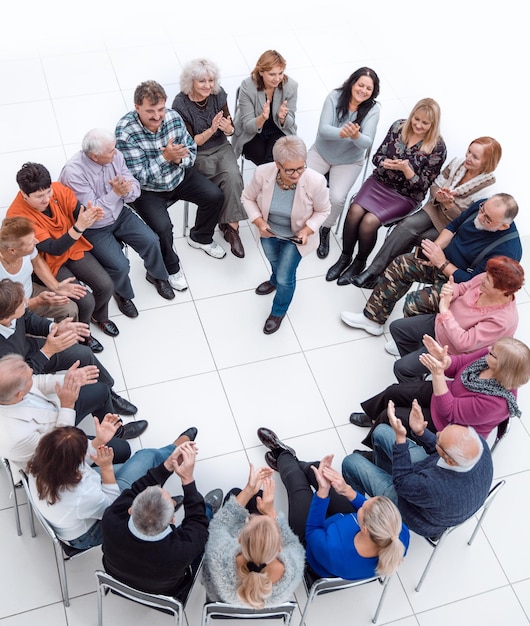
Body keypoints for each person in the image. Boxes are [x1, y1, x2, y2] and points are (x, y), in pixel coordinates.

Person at [340, 194, 522, 336]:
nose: (480, 216)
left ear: (503, 226)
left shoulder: (506, 252)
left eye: (487, 218)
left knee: (415, 302)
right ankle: (373, 319)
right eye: (482, 210)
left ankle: (408, 339)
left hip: (460, 285)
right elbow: (454, 225)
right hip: (442, 259)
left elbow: (473, 284)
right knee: (401, 264)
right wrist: (436, 248)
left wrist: (441, 263)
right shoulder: (483, 205)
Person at [257, 428, 409, 580]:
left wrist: (323, 493)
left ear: (364, 528)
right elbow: (367, 507)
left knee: (296, 482)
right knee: (319, 470)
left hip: (313, 545)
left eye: (363, 507)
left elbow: (312, 530)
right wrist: (347, 490)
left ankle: (283, 454)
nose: (363, 503)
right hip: (337, 528)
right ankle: (295, 463)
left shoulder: (333, 550)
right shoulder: (397, 532)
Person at [353, 137, 502, 289]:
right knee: (405, 226)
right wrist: (440, 195)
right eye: (469, 151)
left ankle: (383, 279)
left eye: (475, 157)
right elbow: (435, 185)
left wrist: (449, 205)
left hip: (452, 226)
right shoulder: (457, 163)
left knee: (415, 238)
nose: (468, 157)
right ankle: (373, 272)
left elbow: (468, 222)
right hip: (434, 209)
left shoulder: (487, 190)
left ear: (487, 162)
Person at [59, 128, 177, 319]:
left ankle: (157, 275)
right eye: (111, 151)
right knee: (120, 265)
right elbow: (93, 213)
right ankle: (122, 294)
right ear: (94, 156)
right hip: (94, 227)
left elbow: (134, 187)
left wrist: (124, 193)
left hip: (120, 213)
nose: (116, 153)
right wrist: (116, 194)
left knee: (151, 240)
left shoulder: (115, 155)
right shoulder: (74, 173)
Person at [326, 98, 446, 285]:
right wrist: (385, 163)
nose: (418, 125)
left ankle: (360, 262)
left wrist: (407, 172)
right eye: (416, 119)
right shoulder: (398, 127)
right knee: (354, 211)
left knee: (369, 221)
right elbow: (377, 156)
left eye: (425, 123)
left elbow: (424, 186)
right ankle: (345, 257)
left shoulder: (437, 148)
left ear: (433, 124)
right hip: (380, 182)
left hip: (405, 196)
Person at [28, 424, 198, 550]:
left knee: (141, 464)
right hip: (88, 533)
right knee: (146, 457)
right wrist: (106, 467)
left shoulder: (40, 461)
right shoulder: (83, 496)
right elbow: (114, 507)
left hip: (74, 506)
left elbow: (81, 461)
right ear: (74, 463)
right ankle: (173, 454)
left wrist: (99, 440)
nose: (88, 446)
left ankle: (167, 465)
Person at [115, 80, 226, 267]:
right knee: (163, 228)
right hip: (148, 190)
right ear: (137, 108)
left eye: (160, 109)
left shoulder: (173, 117)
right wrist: (165, 157)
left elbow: (191, 151)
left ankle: (200, 236)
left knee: (215, 196)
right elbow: (138, 177)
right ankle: (171, 265)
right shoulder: (125, 132)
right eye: (150, 111)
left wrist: (178, 160)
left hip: (178, 175)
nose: (157, 116)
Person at [342, 403, 494, 538]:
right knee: (381, 431)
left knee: (351, 463)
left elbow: (402, 483)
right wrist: (421, 432)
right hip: (445, 493)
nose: (438, 434)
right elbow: (442, 449)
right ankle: (381, 467)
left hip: (417, 511)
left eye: (439, 440)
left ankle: (356, 514)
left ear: (450, 460)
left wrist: (401, 439)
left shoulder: (434, 486)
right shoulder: (477, 445)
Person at [7, 162, 120, 340]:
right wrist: (78, 227)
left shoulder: (57, 189)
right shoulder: (18, 217)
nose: (46, 199)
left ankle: (99, 316)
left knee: (106, 285)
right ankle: (84, 333)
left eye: (48, 192)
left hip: (73, 246)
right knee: (85, 300)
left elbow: (76, 210)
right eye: (39, 196)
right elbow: (53, 248)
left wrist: (87, 215)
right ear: (24, 195)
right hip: (50, 260)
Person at [0, 278, 138, 418]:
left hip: (29, 348)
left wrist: (54, 327)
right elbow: (20, 380)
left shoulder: (10, 312)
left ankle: (109, 392)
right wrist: (47, 351)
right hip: (23, 373)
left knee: (83, 353)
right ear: (5, 318)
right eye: (21, 303)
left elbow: (26, 318)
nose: (26, 302)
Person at [102, 438, 224, 596]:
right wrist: (188, 480)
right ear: (173, 521)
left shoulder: (111, 519)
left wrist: (167, 465)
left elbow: (134, 490)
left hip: (117, 575)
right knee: (203, 516)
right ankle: (207, 507)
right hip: (164, 591)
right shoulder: (180, 551)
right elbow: (197, 523)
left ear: (131, 509)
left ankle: (172, 505)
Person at [349, 335, 530, 440]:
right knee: (393, 391)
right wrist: (443, 359)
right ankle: (372, 417)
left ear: (502, 368)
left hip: (448, 426)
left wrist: (437, 374)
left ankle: (375, 445)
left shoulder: (497, 403)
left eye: (493, 353)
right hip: (445, 392)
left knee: (392, 417)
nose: (488, 349)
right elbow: (458, 365)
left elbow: (449, 411)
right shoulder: (488, 357)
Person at [242, 136, 330, 334]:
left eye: (301, 167)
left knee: (285, 276)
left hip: (296, 237)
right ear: (277, 164)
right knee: (274, 261)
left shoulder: (316, 181)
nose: (297, 174)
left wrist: (308, 230)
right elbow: (247, 197)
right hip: (269, 231)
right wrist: (258, 221)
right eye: (290, 169)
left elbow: (324, 210)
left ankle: (278, 311)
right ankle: (273, 280)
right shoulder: (262, 173)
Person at [389, 256, 524, 382]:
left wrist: (445, 311)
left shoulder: (502, 320)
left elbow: (463, 343)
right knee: (397, 328)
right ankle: (423, 369)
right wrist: (450, 291)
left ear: (502, 291)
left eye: (488, 280)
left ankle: (416, 391)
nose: (483, 279)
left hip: (451, 350)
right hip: (441, 324)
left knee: (401, 368)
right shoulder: (485, 278)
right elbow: (462, 287)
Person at [0, 354, 136, 470]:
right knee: (123, 449)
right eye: (30, 376)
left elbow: (39, 382)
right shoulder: (15, 436)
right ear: (19, 394)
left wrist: (69, 380)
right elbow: (60, 445)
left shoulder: (10, 389)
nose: (32, 372)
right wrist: (68, 405)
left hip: (57, 412)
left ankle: (115, 432)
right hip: (57, 453)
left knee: (101, 390)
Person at [172, 58, 248, 258]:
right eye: (202, 81)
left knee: (233, 176)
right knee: (218, 187)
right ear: (191, 83)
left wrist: (228, 128)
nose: (208, 86)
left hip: (221, 146)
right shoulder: (180, 103)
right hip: (197, 153)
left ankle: (232, 230)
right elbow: (190, 143)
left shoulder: (218, 94)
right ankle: (226, 225)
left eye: (211, 80)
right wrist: (212, 129)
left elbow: (230, 128)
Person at [202, 464, 304, 608]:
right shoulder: (293, 568)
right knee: (257, 500)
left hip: (221, 599)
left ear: (239, 539)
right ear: (280, 548)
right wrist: (271, 512)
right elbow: (294, 544)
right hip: (257, 607)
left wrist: (249, 489)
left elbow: (219, 525)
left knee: (235, 493)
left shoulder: (220, 554)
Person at [306, 67, 381, 258]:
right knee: (302, 183)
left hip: (348, 161)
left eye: (368, 89)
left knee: (337, 197)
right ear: (352, 83)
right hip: (322, 152)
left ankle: (325, 229)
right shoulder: (334, 97)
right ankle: (300, 218)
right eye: (360, 85)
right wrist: (343, 133)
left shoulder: (373, 109)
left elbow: (367, 142)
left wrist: (355, 136)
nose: (363, 90)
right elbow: (323, 130)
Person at [0, 216, 87, 326]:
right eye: (31, 242)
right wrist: (34, 302)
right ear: (12, 250)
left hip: (30, 292)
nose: (36, 242)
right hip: (10, 311)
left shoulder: (24, 249)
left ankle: (68, 338)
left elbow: (36, 260)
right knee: (30, 337)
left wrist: (55, 286)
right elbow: (3, 312)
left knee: (70, 308)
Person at [232, 50, 298, 166]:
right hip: (251, 132)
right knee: (265, 158)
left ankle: (265, 179)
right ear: (261, 72)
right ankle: (269, 179)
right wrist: (262, 118)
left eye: (280, 73)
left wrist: (283, 118)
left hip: (278, 129)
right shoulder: (247, 86)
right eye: (272, 74)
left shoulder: (291, 86)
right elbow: (248, 126)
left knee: (273, 157)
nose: (277, 79)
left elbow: (290, 122)